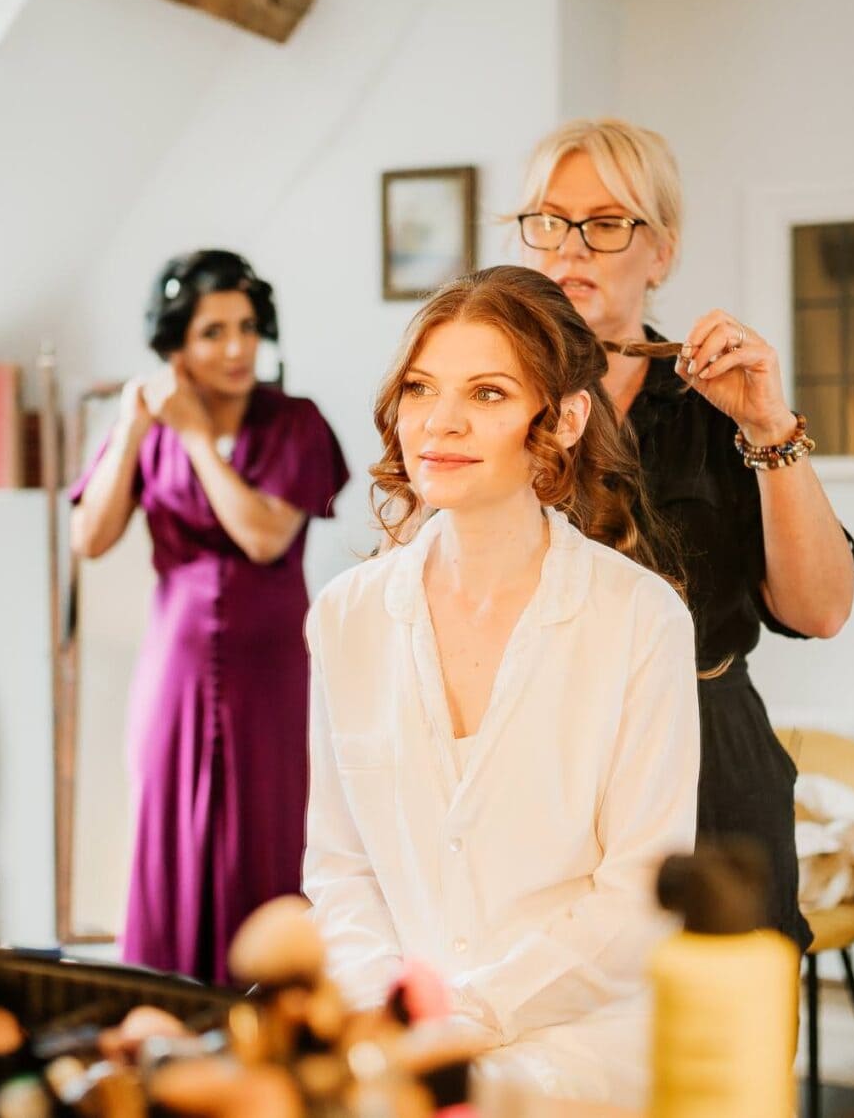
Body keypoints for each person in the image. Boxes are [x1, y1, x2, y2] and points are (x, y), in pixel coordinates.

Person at [303, 265, 699, 1107]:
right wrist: (388, 1012)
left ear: (560, 419)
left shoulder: (639, 620)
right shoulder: (347, 618)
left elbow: (638, 899)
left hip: (578, 1043)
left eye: (486, 393)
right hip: (393, 1039)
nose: (439, 423)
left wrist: (461, 1018)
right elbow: (341, 869)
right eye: (420, 388)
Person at [514, 119, 854, 950]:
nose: (572, 248)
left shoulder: (718, 404)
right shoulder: (498, 402)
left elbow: (820, 609)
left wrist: (769, 424)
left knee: (722, 1039)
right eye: (548, 221)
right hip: (545, 763)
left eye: (605, 223)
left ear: (659, 251)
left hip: (711, 762)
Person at [70, 249, 349, 984]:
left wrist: (195, 435)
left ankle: (268, 997)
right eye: (213, 332)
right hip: (176, 663)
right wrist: (133, 429)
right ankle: (167, 999)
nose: (236, 348)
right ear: (174, 347)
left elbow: (263, 534)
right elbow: (88, 537)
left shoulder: (295, 422)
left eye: (248, 328)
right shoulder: (150, 426)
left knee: (271, 821)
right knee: (169, 828)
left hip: (274, 665)